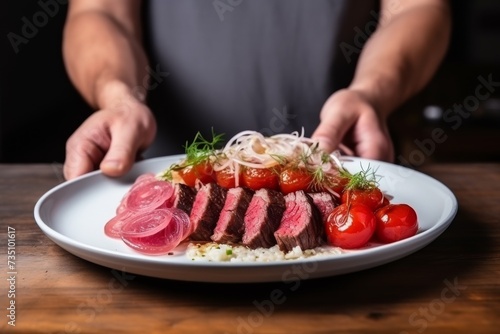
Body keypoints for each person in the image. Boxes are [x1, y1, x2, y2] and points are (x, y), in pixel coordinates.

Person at [62, 0, 451, 180]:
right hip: (161, 168)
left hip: (341, 162)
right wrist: (118, 97)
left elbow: (418, 8)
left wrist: (371, 93)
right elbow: (99, 12)